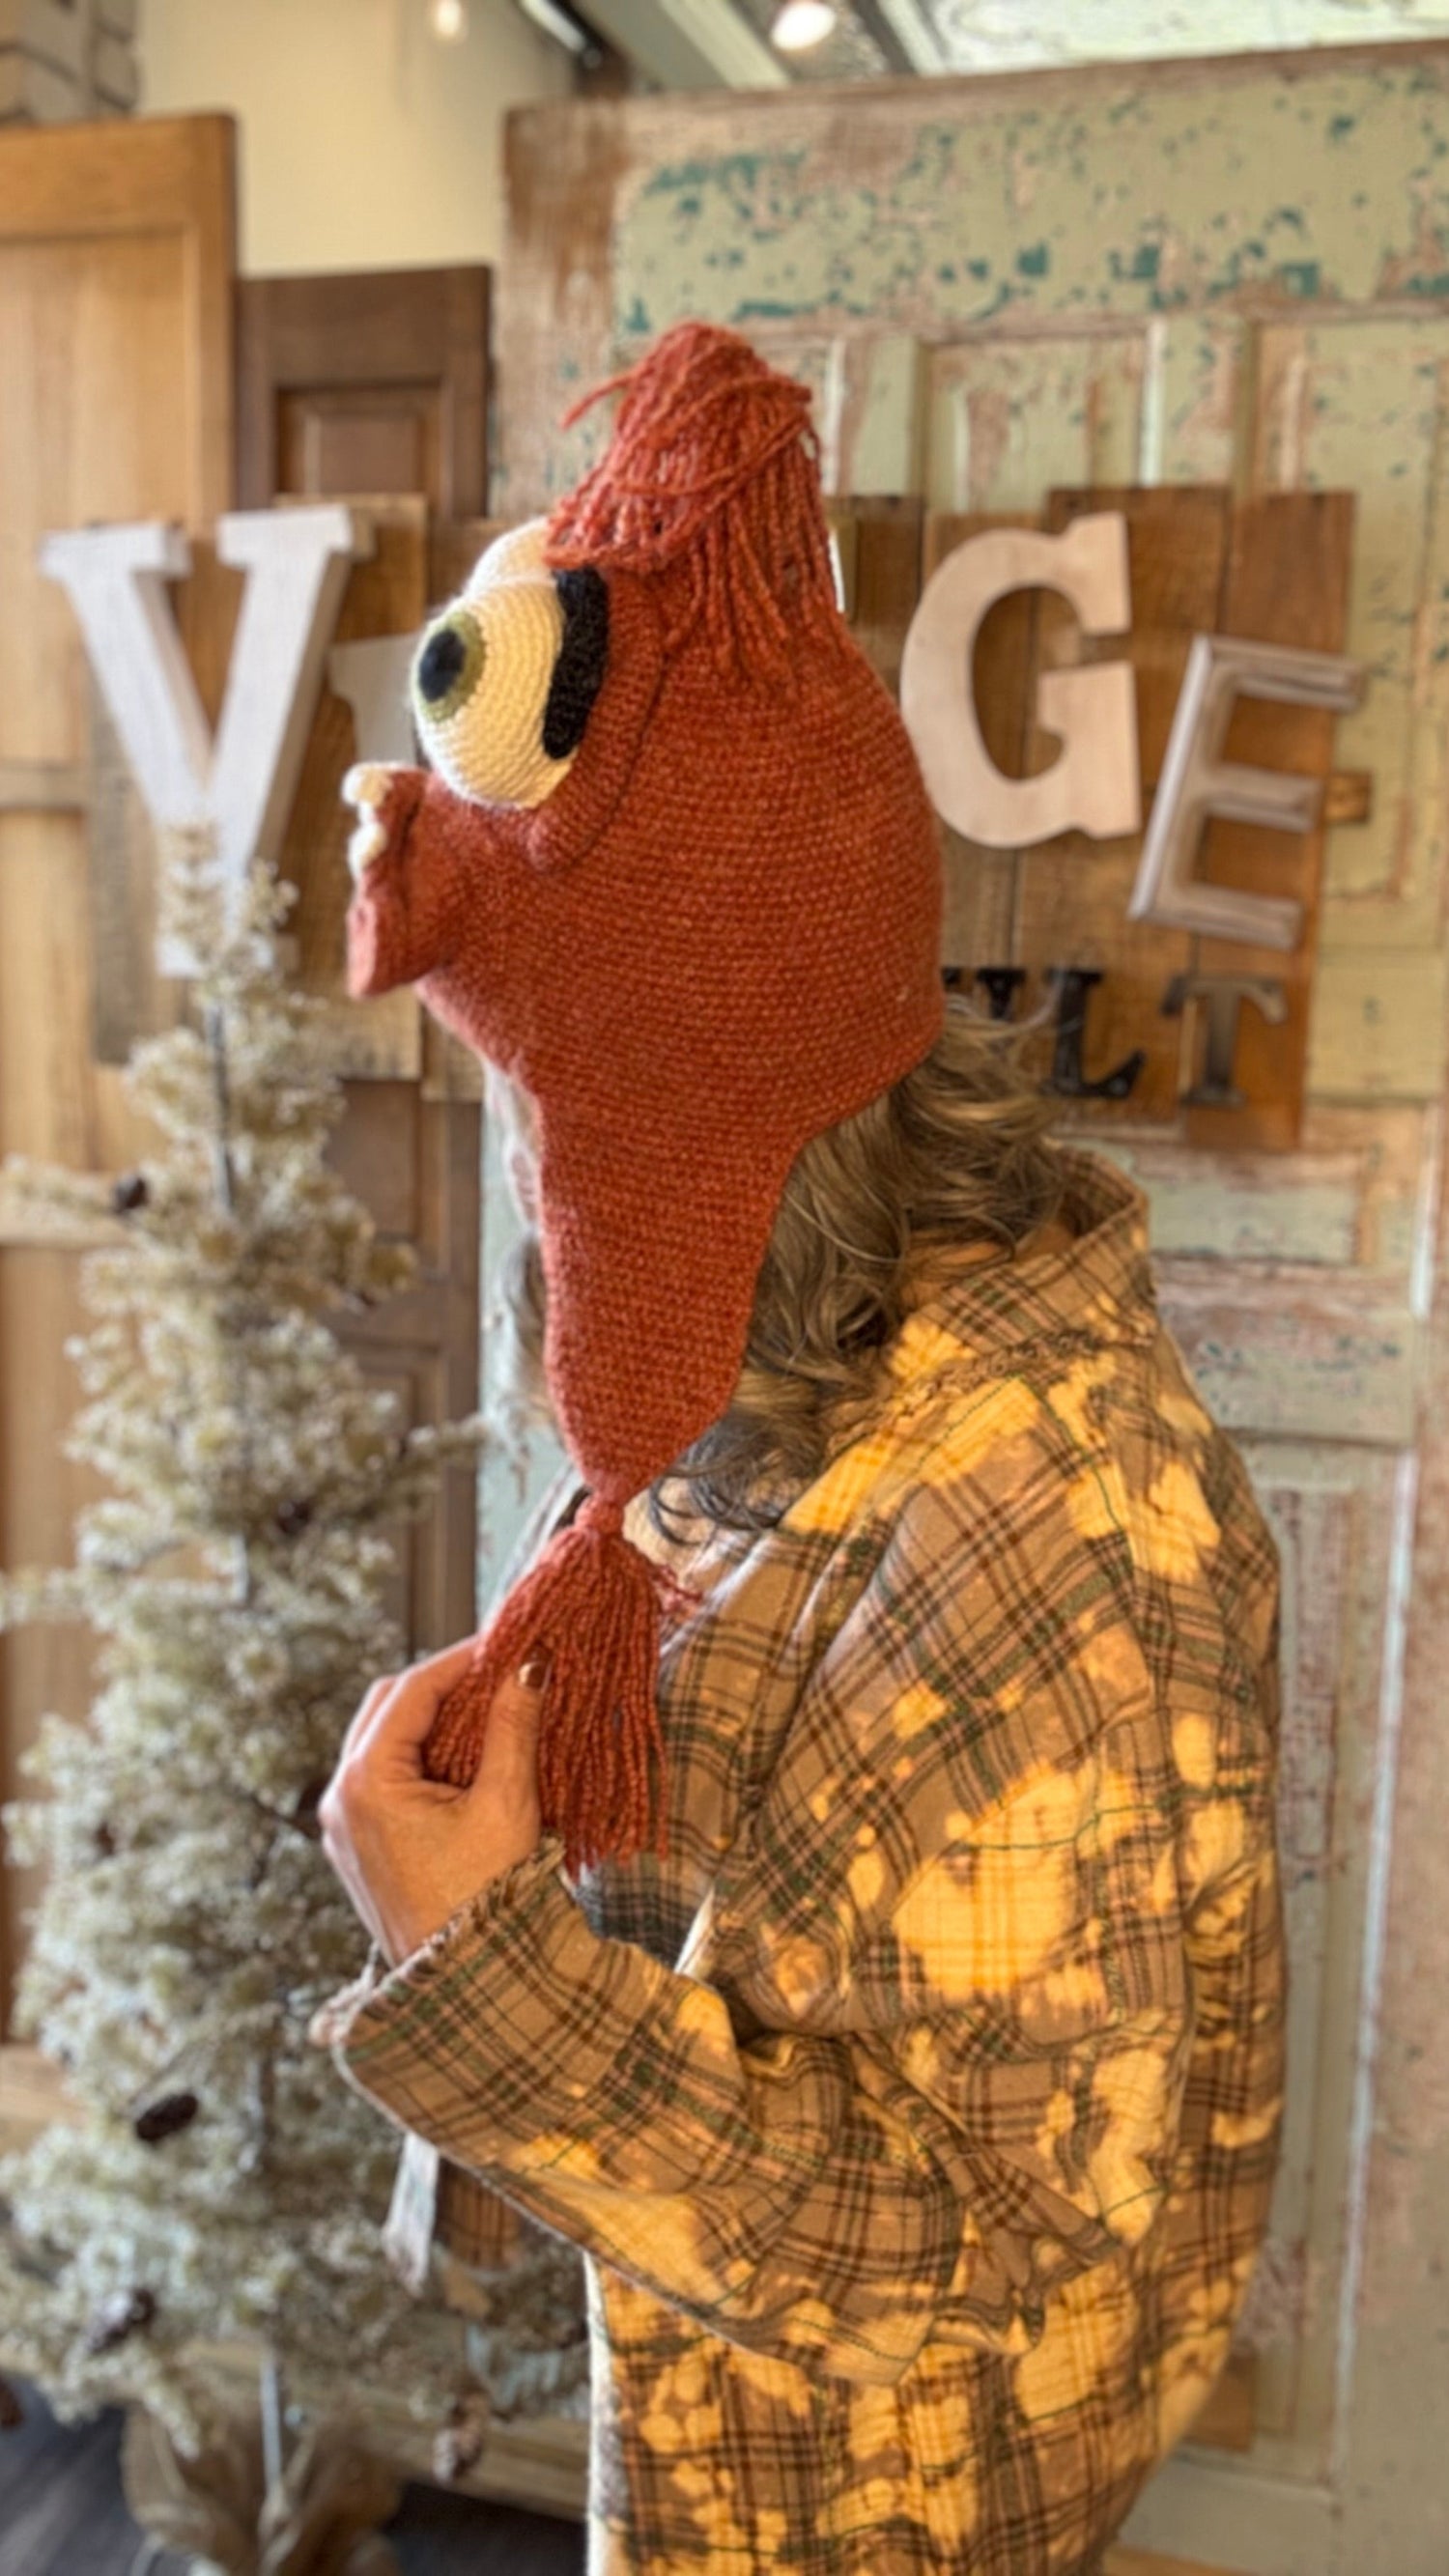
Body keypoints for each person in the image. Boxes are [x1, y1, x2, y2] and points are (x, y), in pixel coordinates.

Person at [309, 323, 1286, 2575]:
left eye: (562, 1117)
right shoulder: (767, 1411)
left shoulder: (1048, 1533)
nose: (547, 1197)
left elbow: (997, 2271)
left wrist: (485, 1980)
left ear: (671, 1138)